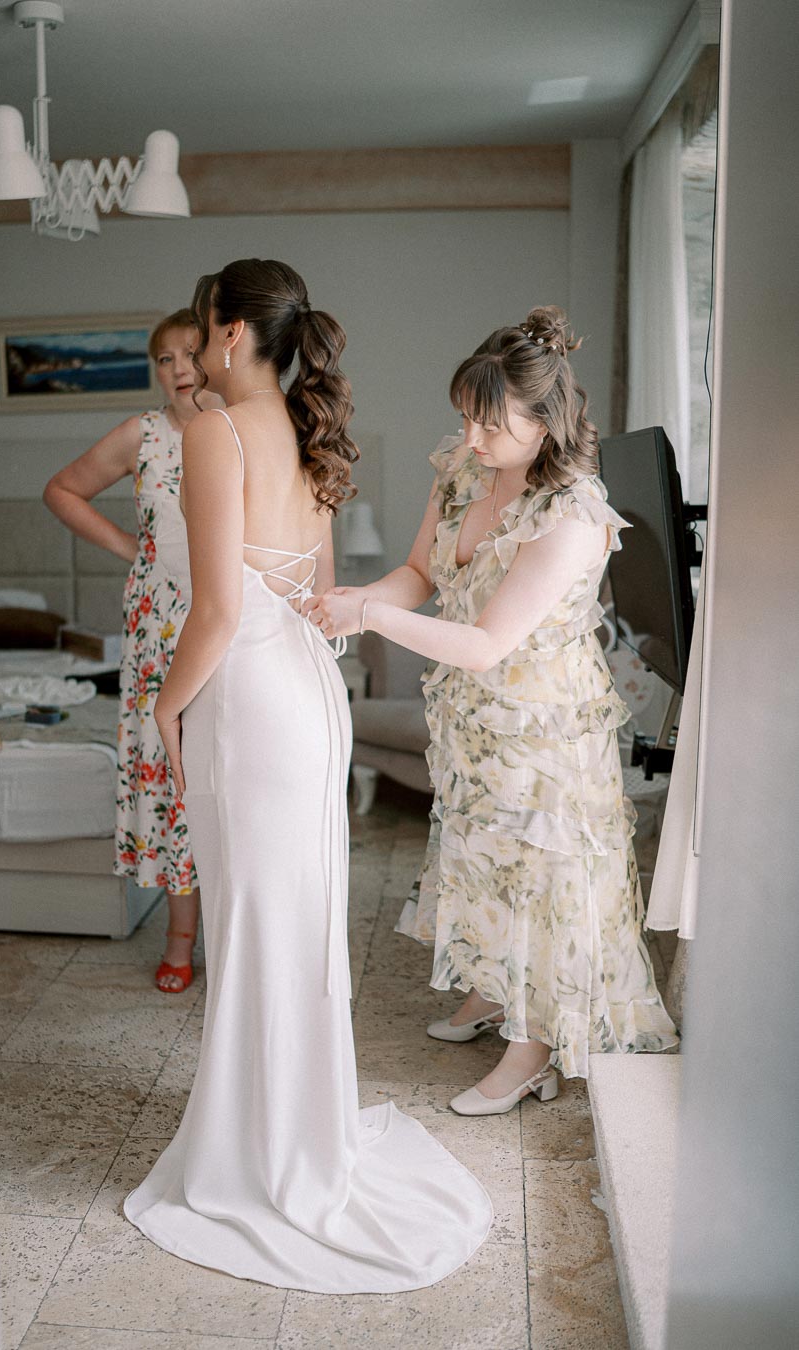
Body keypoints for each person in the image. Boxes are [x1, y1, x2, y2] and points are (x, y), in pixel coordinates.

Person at [123, 259, 492, 1292]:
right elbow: (319, 595)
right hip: (308, 694)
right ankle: (296, 1138)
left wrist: (163, 707)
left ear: (232, 333)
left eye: (201, 332)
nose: (194, 353)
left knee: (257, 926)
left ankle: (263, 1158)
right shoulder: (302, 430)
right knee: (294, 924)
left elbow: (215, 613)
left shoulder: (213, 430)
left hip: (246, 699)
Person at [305, 306, 679, 1115]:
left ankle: (531, 1052)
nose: (472, 439)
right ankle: (490, 991)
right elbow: (418, 570)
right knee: (480, 860)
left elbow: (483, 642)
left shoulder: (574, 514)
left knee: (537, 880)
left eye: (490, 424)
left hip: (541, 728)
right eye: (465, 420)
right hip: (471, 718)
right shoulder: (466, 471)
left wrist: (365, 619)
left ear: (544, 422)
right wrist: (352, 598)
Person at [44, 309, 219, 992]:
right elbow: (62, 490)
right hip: (157, 631)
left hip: (226, 621)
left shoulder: (241, 430)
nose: (177, 369)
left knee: (223, 778)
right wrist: (130, 550)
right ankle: (180, 942)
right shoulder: (141, 435)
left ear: (215, 357)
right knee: (172, 782)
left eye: (187, 354)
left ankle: (237, 943)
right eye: (163, 359)